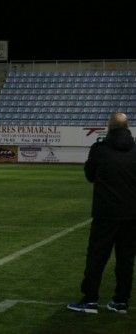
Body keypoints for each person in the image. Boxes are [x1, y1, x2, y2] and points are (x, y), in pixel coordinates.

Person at [67, 112, 136, 314]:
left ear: (109, 127)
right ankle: (121, 301)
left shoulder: (99, 149)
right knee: (126, 259)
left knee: (97, 257)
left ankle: (90, 300)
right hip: (132, 215)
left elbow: (90, 175)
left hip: (105, 214)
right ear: (127, 126)